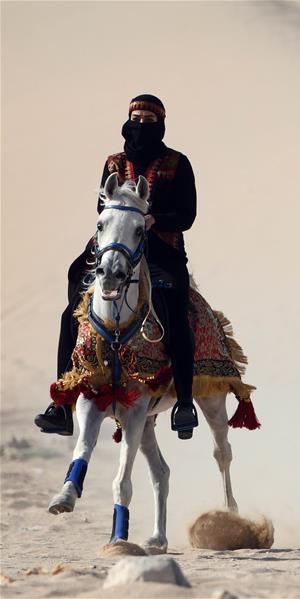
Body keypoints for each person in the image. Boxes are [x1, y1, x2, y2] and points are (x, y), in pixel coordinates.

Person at [35, 94, 200, 439]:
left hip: (162, 250)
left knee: (176, 310)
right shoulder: (114, 162)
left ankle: (184, 401)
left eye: (149, 121)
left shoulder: (177, 163)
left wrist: (154, 219)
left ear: (161, 124)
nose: (140, 126)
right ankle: (62, 403)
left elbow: (187, 215)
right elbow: (103, 207)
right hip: (115, 246)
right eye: (135, 119)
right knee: (72, 303)